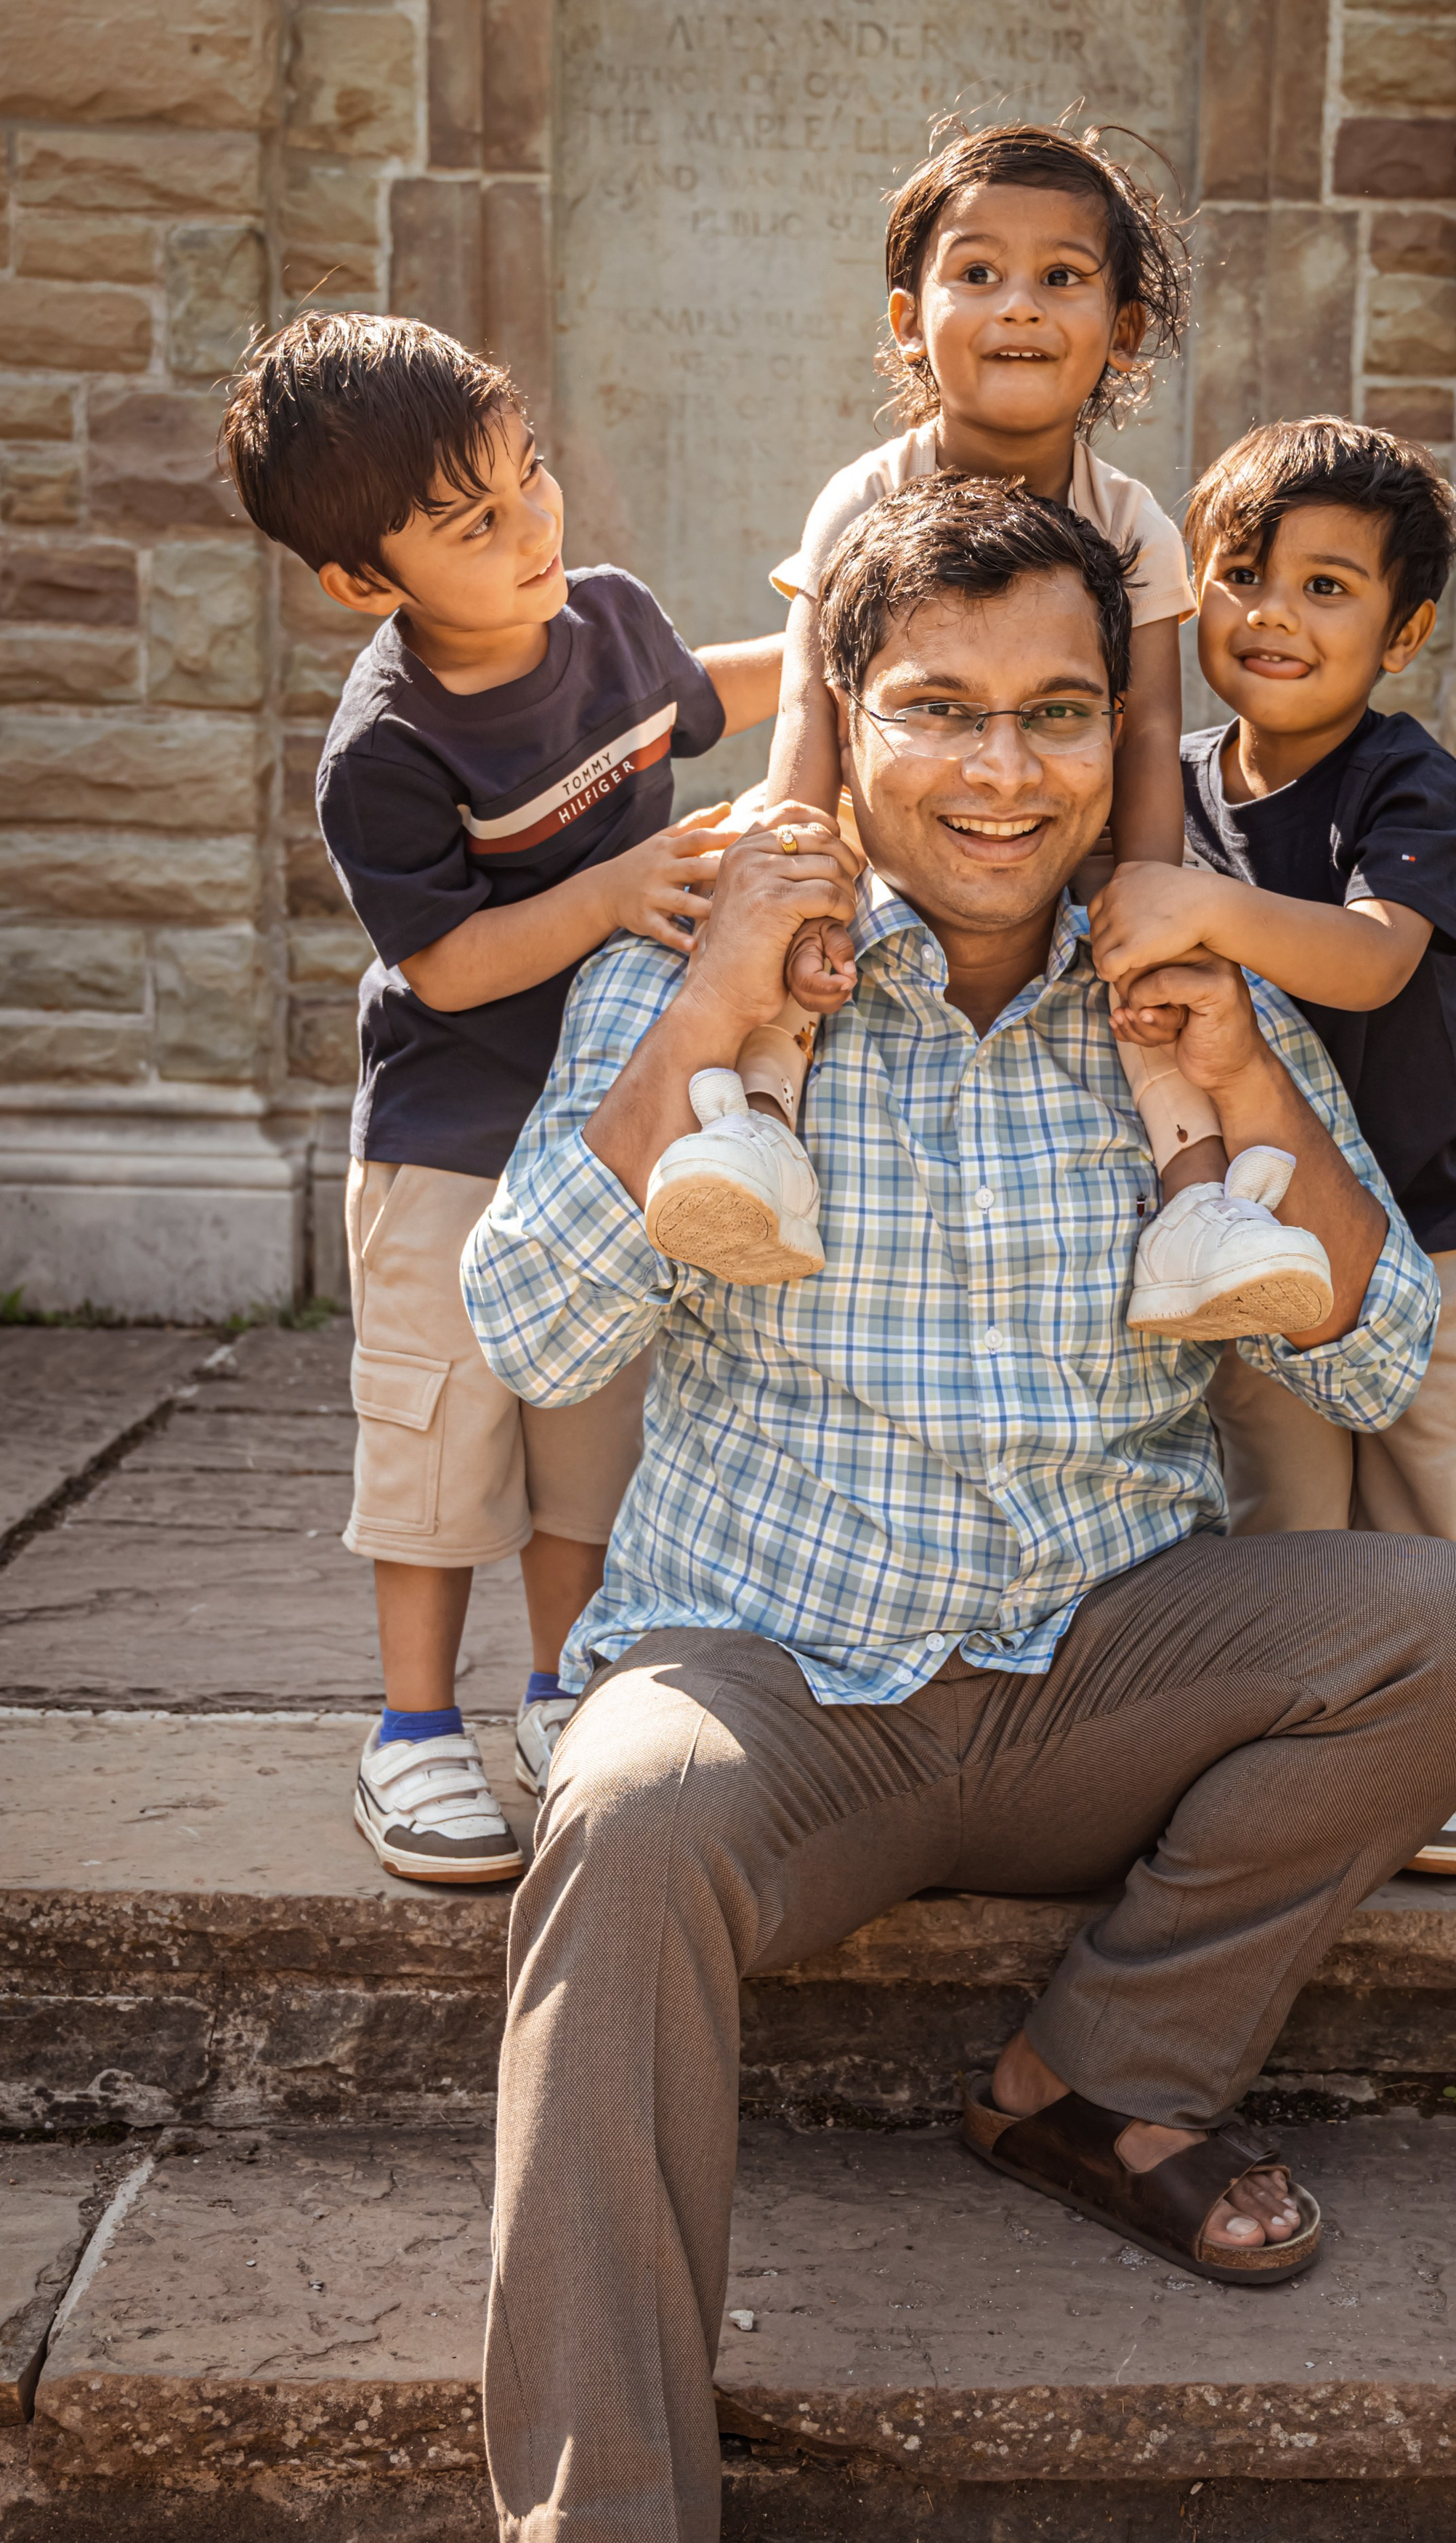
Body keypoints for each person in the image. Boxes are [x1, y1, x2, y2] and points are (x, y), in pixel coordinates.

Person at [448, 475, 1456, 2543]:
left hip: (1095, 1656)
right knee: (619, 1823)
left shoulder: (1172, 971)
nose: (1007, 771)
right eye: (942, 711)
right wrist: (721, 999)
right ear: (846, 720)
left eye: (1057, 714)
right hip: (767, 1677)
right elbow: (531, 1328)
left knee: (1442, 1628)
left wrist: (1247, 1086)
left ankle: (1098, 2075)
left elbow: (1368, 1351)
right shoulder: (700, 959)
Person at [218, 313, 782, 1882]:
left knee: (588, 1434)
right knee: (443, 1444)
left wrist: (851, 640)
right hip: (451, 1149)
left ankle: (561, 1692)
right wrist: (618, 890)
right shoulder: (385, 746)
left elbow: (709, 697)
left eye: (527, 478)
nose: (532, 524)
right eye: (475, 522)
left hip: (606, 1133)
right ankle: (411, 1734)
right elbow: (451, 966)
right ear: (364, 578)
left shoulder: (604, 623)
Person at [639, 121, 1332, 1345]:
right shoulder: (865, 496)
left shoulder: (1133, 525)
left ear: (1121, 330)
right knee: (795, 943)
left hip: (1078, 839)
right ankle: (758, 1139)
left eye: (1063, 277)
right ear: (909, 317)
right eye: (978, 273)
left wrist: (1147, 892)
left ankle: (1194, 1214)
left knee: (1153, 993)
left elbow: (1151, 720)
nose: (1020, 306)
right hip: (880, 829)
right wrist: (801, 865)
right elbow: (811, 705)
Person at [1089, 416, 1456, 1873]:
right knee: (1281, 1501)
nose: (1272, 615)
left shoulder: (1404, 785)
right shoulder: (1181, 786)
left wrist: (1199, 909)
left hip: (1428, 1228)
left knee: (1426, 1488)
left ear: (1399, 633)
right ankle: (1301, 1733)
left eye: (1326, 589)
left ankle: (1449, 1750)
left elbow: (1369, 964)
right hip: (1266, 1234)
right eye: (1240, 574)